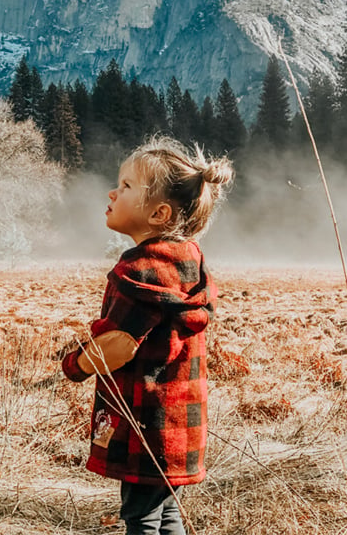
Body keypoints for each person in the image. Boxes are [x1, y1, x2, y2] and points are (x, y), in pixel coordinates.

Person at [61, 135, 234, 535]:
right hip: (181, 422)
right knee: (165, 512)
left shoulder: (137, 271)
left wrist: (74, 364)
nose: (112, 191)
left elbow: (117, 346)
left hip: (143, 421)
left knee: (139, 518)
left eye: (125, 187)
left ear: (158, 213)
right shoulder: (191, 259)